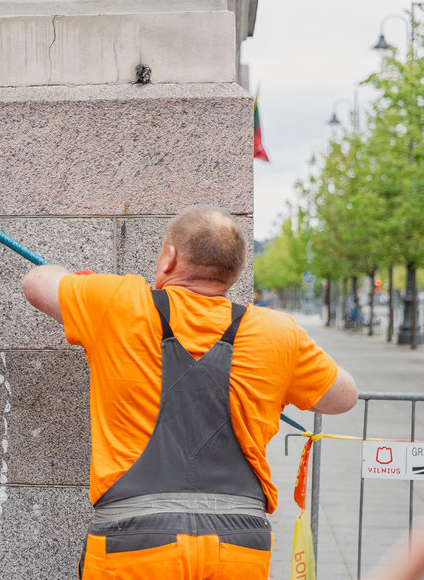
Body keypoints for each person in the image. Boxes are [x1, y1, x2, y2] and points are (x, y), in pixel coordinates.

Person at [21, 206, 358, 579]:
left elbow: (36, 282)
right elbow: (344, 396)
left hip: (132, 543)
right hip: (239, 547)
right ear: (233, 271)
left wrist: (82, 285)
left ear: (169, 257)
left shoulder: (117, 302)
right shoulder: (278, 332)